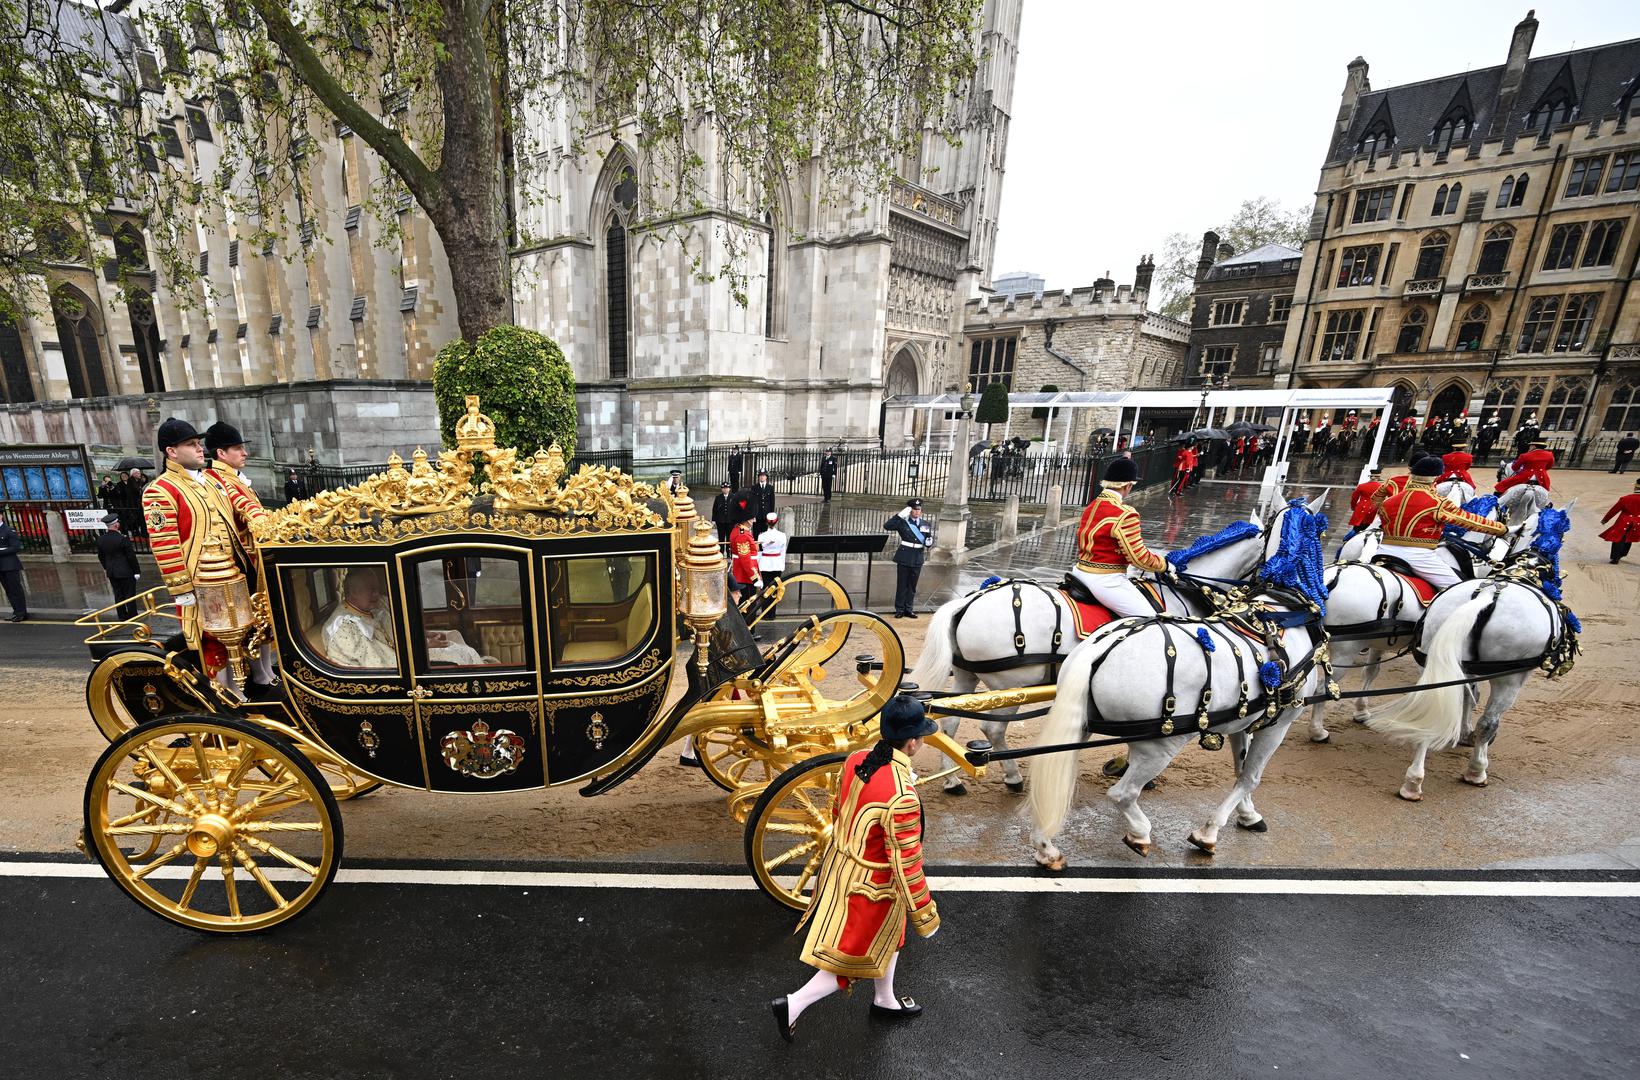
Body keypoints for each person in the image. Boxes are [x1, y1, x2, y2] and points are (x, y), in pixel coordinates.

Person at [771, 694, 940, 1041]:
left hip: (843, 868)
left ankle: (885, 999)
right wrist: (925, 914)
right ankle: (794, 1003)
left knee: (891, 938)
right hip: (874, 886)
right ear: (911, 743)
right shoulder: (902, 796)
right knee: (848, 963)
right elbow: (907, 862)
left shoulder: (857, 759)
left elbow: (838, 810)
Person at [142, 418, 256, 655]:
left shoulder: (210, 480)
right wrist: (181, 589)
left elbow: (238, 507)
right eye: (192, 444)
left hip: (234, 571)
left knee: (246, 628)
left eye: (198, 443)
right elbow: (165, 543)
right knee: (213, 640)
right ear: (171, 452)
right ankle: (224, 689)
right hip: (201, 579)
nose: (199, 448)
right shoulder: (160, 490)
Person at [1376, 457, 1505, 588]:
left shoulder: (1388, 502)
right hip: (1418, 556)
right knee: (1458, 589)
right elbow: (1470, 521)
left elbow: (1376, 503)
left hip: (1382, 551)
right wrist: (1501, 529)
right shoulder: (1438, 503)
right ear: (1435, 478)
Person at [1069, 458, 1168, 618]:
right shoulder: (1124, 513)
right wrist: (1164, 565)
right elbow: (1139, 558)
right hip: (1105, 580)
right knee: (1151, 621)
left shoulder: (1092, 505)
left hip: (1080, 572)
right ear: (1128, 485)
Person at [322, 568, 399, 668]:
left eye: (377, 589)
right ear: (354, 592)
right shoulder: (344, 629)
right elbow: (374, 668)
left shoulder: (378, 604)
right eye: (372, 590)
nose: (377, 594)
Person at [884, 498, 932, 619]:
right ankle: (899, 609)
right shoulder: (903, 522)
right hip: (904, 556)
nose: (917, 512)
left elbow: (928, 539)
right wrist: (899, 516)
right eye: (914, 510)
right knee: (902, 585)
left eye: (919, 509)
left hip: (917, 557)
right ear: (910, 510)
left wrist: (929, 542)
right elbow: (887, 526)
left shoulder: (925, 524)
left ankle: (909, 609)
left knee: (912, 586)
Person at [95, 512, 142, 621]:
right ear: (116, 525)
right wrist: (137, 571)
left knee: (118, 594)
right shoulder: (122, 539)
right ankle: (133, 616)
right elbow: (131, 557)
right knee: (130, 595)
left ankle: (122, 616)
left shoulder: (101, 540)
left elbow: (101, 556)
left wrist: (107, 568)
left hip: (112, 572)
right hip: (126, 572)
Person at [1339, 466, 1386, 545]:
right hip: (1373, 509)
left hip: (1361, 508)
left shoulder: (1362, 486)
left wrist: (1354, 507)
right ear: (1378, 477)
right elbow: (1382, 500)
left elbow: (1354, 498)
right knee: (1366, 528)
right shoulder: (1381, 487)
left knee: (1357, 527)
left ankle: (1347, 540)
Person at [757, 512, 788, 618]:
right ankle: (772, 614)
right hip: (777, 563)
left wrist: (758, 564)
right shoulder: (782, 536)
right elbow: (783, 552)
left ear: (766, 522)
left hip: (765, 563)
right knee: (774, 589)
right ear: (777, 522)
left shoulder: (761, 536)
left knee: (765, 589)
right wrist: (782, 565)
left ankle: (765, 614)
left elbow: (759, 552)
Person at [1601, 479, 1640, 563]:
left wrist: (1605, 520)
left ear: (1636, 487)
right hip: (1637, 522)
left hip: (1624, 521)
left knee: (1618, 539)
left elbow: (1614, 510)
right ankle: (1622, 554)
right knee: (1628, 538)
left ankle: (1615, 558)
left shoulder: (1625, 498)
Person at [729, 510, 760, 605]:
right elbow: (745, 560)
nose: (754, 520)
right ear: (746, 519)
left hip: (743, 573)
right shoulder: (742, 535)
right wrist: (755, 577)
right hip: (745, 576)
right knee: (749, 606)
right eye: (752, 518)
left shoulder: (739, 530)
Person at [0, 517, 26, 622]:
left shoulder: (9, 530)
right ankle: (16, 612)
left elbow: (16, 547)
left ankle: (22, 613)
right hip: (1, 566)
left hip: (10, 565)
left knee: (15, 590)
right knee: (8, 591)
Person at [750, 470, 776, 536]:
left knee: (765, 534)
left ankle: (763, 547)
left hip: (766, 515)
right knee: (755, 534)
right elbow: (752, 502)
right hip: (757, 515)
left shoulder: (770, 487)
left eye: (763, 475)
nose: (762, 477)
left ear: (766, 477)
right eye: (760, 475)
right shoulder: (754, 487)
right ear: (759, 477)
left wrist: (771, 514)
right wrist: (752, 515)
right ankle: (756, 546)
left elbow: (772, 502)